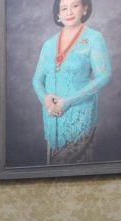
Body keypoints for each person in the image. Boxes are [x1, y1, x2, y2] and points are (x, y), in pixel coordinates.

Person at [32, 0, 111, 165]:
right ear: (58, 14)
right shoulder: (49, 44)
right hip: (52, 116)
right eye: (64, 8)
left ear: (85, 9)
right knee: (53, 173)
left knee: (76, 174)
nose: (69, 12)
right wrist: (45, 99)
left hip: (80, 117)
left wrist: (67, 101)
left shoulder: (93, 38)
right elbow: (37, 79)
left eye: (75, 6)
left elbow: (104, 75)